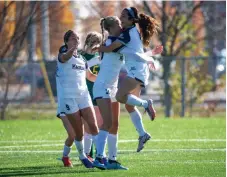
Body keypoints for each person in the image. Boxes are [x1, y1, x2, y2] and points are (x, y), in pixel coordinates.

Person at [93, 7, 163, 152]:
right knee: (129, 104)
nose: (121, 19)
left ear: (131, 19)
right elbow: (134, 53)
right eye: (120, 17)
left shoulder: (126, 34)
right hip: (138, 71)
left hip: (136, 72)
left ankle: (146, 103)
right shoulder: (130, 32)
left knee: (120, 96)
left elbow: (113, 48)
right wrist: (150, 56)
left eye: (123, 17)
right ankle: (143, 134)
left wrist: (99, 48)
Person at [56, 30, 99, 168]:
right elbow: (66, 57)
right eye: (72, 38)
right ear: (66, 41)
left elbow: (90, 76)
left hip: (83, 96)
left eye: (77, 38)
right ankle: (77, 156)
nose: (76, 40)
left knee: (93, 126)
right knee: (75, 133)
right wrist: (72, 49)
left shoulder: (82, 59)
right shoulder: (63, 56)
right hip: (68, 99)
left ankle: (101, 156)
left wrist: (106, 79)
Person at [92, 16, 127, 170]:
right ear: (111, 28)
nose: (121, 26)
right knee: (107, 123)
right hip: (102, 86)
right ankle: (99, 157)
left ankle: (112, 160)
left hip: (113, 87)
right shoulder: (110, 42)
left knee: (115, 125)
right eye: (119, 24)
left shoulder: (118, 42)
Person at [79, 32, 104, 160]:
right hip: (85, 93)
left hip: (97, 93)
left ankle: (91, 153)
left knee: (96, 125)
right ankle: (88, 153)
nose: (95, 44)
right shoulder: (81, 56)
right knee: (89, 126)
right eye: (93, 41)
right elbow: (88, 76)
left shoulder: (99, 56)